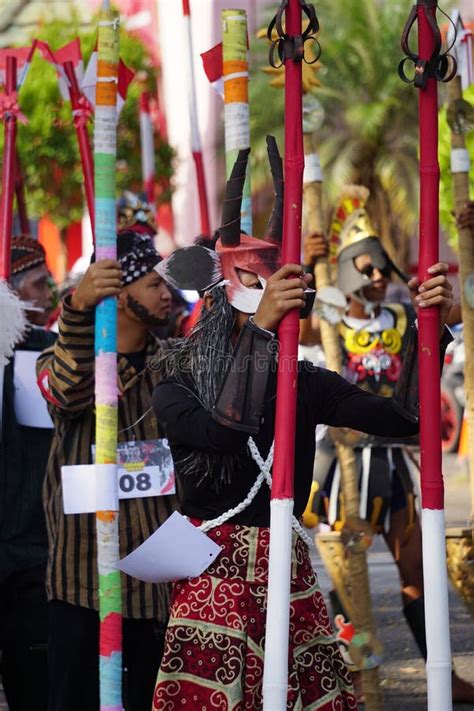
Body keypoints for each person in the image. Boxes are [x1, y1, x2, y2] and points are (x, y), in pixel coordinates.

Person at [148, 148, 453, 710]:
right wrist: (260, 334)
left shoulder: (304, 381)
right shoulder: (175, 379)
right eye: (259, 295)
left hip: (287, 567)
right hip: (212, 573)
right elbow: (221, 432)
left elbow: (403, 419)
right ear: (218, 298)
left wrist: (427, 328)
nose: (281, 310)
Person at [300, 191, 473, 703]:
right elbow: (290, 320)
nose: (377, 277)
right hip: (343, 467)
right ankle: (352, 676)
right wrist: (308, 265)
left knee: (416, 571)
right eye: (366, 269)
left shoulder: (401, 318)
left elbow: (460, 310)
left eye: (381, 269)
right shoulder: (326, 321)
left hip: (393, 463)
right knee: (344, 574)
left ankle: (442, 672)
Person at [36, 230, 179, 711]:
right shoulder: (60, 362)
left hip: (154, 590)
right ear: (117, 294)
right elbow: (68, 388)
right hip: (81, 587)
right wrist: (78, 306)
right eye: (154, 284)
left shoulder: (173, 366)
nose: (168, 295)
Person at [0, 236, 56, 711]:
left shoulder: (48, 353)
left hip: (34, 554)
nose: (47, 297)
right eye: (37, 286)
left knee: (33, 686)